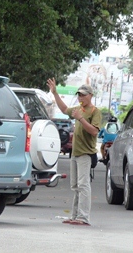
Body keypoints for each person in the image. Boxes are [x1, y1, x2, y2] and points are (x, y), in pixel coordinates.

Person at [47, 78, 102, 226]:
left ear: (90, 95)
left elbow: (94, 131)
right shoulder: (78, 109)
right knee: (76, 186)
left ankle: (83, 217)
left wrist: (81, 119)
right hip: (75, 153)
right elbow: (64, 109)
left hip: (85, 153)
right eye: (79, 95)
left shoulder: (95, 112)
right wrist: (55, 93)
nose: (80, 97)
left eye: (83, 95)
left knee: (83, 185)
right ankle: (76, 215)